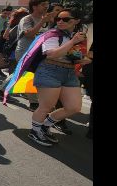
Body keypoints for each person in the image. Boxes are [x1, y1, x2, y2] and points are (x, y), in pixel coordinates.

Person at [27, 8, 91, 146]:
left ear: (76, 21)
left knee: (74, 107)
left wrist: (81, 60)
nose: (60, 22)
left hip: (68, 72)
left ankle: (44, 126)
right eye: (58, 19)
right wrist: (73, 41)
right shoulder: (52, 34)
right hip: (49, 70)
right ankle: (35, 131)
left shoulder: (77, 36)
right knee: (46, 106)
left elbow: (72, 56)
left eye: (65, 19)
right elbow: (51, 54)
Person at [0, 0, 57, 110]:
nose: (46, 6)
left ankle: (3, 89)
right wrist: (42, 22)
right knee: (30, 74)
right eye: (43, 4)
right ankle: (34, 102)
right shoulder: (27, 19)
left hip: (40, 52)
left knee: (21, 72)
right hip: (25, 51)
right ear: (34, 6)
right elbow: (29, 34)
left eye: (47, 4)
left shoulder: (48, 20)